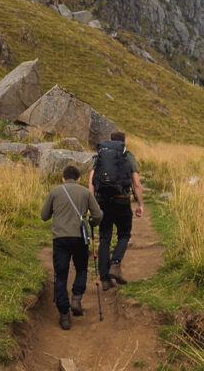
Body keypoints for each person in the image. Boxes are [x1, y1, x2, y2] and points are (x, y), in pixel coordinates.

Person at [40, 164, 103, 330]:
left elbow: (44, 216)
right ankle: (76, 298)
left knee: (61, 275)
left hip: (60, 239)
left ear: (63, 178)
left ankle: (64, 314)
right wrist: (91, 222)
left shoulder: (55, 192)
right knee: (81, 269)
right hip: (80, 239)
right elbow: (98, 215)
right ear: (79, 179)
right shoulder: (85, 193)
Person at [88, 131, 144, 290]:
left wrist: (93, 204)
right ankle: (115, 264)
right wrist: (140, 204)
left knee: (104, 237)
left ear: (110, 140)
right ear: (123, 142)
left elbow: (91, 181)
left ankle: (105, 280)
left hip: (102, 201)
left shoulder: (101, 154)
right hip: (121, 200)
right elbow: (137, 183)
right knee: (124, 234)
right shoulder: (128, 155)